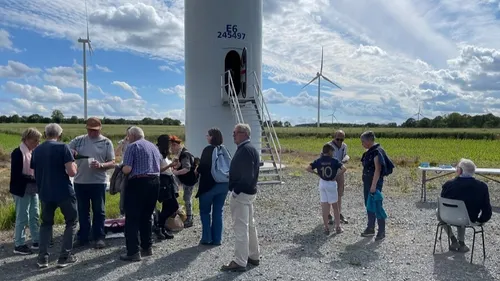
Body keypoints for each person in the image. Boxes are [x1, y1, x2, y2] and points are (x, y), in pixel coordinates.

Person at [31, 123, 78, 268]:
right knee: (71, 221)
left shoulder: (37, 150)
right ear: (60, 134)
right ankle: (64, 256)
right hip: (64, 191)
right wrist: (74, 162)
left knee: (46, 224)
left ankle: (42, 258)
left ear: (45, 134)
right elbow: (72, 172)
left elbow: (34, 172)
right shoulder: (63, 147)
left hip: (45, 191)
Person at [69, 117, 115, 249]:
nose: (92, 132)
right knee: (82, 211)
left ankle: (99, 236)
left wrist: (101, 165)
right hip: (80, 181)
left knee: (99, 210)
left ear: (100, 128)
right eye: (90, 130)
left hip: (98, 182)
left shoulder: (106, 142)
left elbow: (112, 162)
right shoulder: (78, 140)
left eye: (95, 130)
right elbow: (66, 152)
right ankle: (83, 236)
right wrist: (71, 152)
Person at [120, 126, 164, 261]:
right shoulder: (153, 147)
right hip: (155, 182)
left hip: (138, 183)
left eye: (128, 136)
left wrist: (120, 168)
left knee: (132, 218)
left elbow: (127, 169)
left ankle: (133, 252)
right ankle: (147, 247)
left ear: (131, 136)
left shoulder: (132, 147)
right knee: (147, 216)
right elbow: (161, 165)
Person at [221, 123, 260, 272]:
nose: (233, 135)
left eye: (235, 133)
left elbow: (247, 175)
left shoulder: (245, 150)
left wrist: (236, 191)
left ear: (244, 134)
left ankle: (240, 261)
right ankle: (253, 256)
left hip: (242, 194)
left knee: (240, 228)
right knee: (250, 225)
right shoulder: (250, 149)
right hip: (249, 193)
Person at [439, 158, 492, 252]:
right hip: (469, 219)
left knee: (439, 212)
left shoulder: (448, 185)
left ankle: (453, 239)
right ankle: (461, 243)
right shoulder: (482, 186)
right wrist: (481, 220)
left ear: (459, 171)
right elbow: (487, 209)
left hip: (447, 217)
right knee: (464, 212)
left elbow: (443, 202)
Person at [10, 128, 42, 255]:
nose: (37, 143)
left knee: (35, 214)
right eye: (35, 140)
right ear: (27, 139)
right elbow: (17, 175)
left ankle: (36, 240)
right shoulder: (18, 153)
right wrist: (34, 178)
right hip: (21, 189)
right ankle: (19, 244)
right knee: (22, 217)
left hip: (33, 189)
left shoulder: (31, 152)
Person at [196, 128, 230, 246]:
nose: (206, 137)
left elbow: (204, 167)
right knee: (218, 211)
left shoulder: (208, 149)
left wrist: (197, 169)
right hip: (224, 184)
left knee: (205, 212)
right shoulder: (223, 149)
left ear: (212, 137)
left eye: (208, 135)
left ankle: (206, 238)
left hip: (210, 185)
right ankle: (217, 239)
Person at [307, 144, 347, 235]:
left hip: (322, 183)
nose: (333, 153)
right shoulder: (334, 161)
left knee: (325, 206)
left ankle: (326, 227)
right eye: (332, 151)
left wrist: (317, 174)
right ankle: (338, 227)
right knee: (335, 207)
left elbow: (308, 168)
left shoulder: (318, 160)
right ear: (329, 151)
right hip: (331, 183)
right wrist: (336, 176)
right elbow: (344, 168)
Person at [360, 131, 387, 241]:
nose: (362, 143)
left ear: (370, 140)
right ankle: (370, 228)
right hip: (368, 182)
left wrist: (373, 185)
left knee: (377, 205)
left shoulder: (376, 152)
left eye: (363, 141)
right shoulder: (369, 152)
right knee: (368, 205)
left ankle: (381, 231)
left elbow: (378, 169)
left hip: (374, 183)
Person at [169, 135, 198, 228]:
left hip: (189, 180)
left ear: (176, 145)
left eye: (172, 146)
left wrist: (176, 172)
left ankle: (189, 218)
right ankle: (186, 216)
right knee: (185, 198)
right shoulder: (181, 154)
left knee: (187, 198)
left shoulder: (184, 154)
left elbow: (187, 168)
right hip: (186, 179)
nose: (171, 149)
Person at [154, 134, 178, 240]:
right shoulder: (158, 154)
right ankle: (159, 225)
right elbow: (157, 169)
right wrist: (170, 165)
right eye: (168, 142)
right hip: (163, 181)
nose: (170, 144)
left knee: (167, 206)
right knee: (173, 206)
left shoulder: (164, 154)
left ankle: (161, 228)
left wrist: (172, 166)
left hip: (168, 180)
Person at [326, 130, 349, 224]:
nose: (339, 141)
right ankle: (327, 214)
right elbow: (322, 158)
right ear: (334, 137)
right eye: (337, 139)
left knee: (339, 194)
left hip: (340, 172)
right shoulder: (328, 146)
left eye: (341, 139)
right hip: (330, 173)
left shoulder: (344, 146)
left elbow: (345, 155)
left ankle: (338, 214)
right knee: (328, 194)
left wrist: (347, 157)